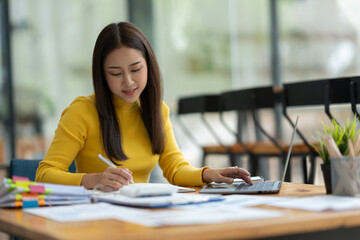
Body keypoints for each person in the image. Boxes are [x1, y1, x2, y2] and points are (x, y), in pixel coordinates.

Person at [35, 22, 253, 191]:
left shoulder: (157, 110)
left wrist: (207, 175)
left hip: (143, 214)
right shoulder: (82, 112)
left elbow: (174, 168)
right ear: (102, 75)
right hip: (97, 217)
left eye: (136, 69)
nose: (128, 81)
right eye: (116, 73)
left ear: (149, 65)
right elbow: (44, 175)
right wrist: (95, 179)